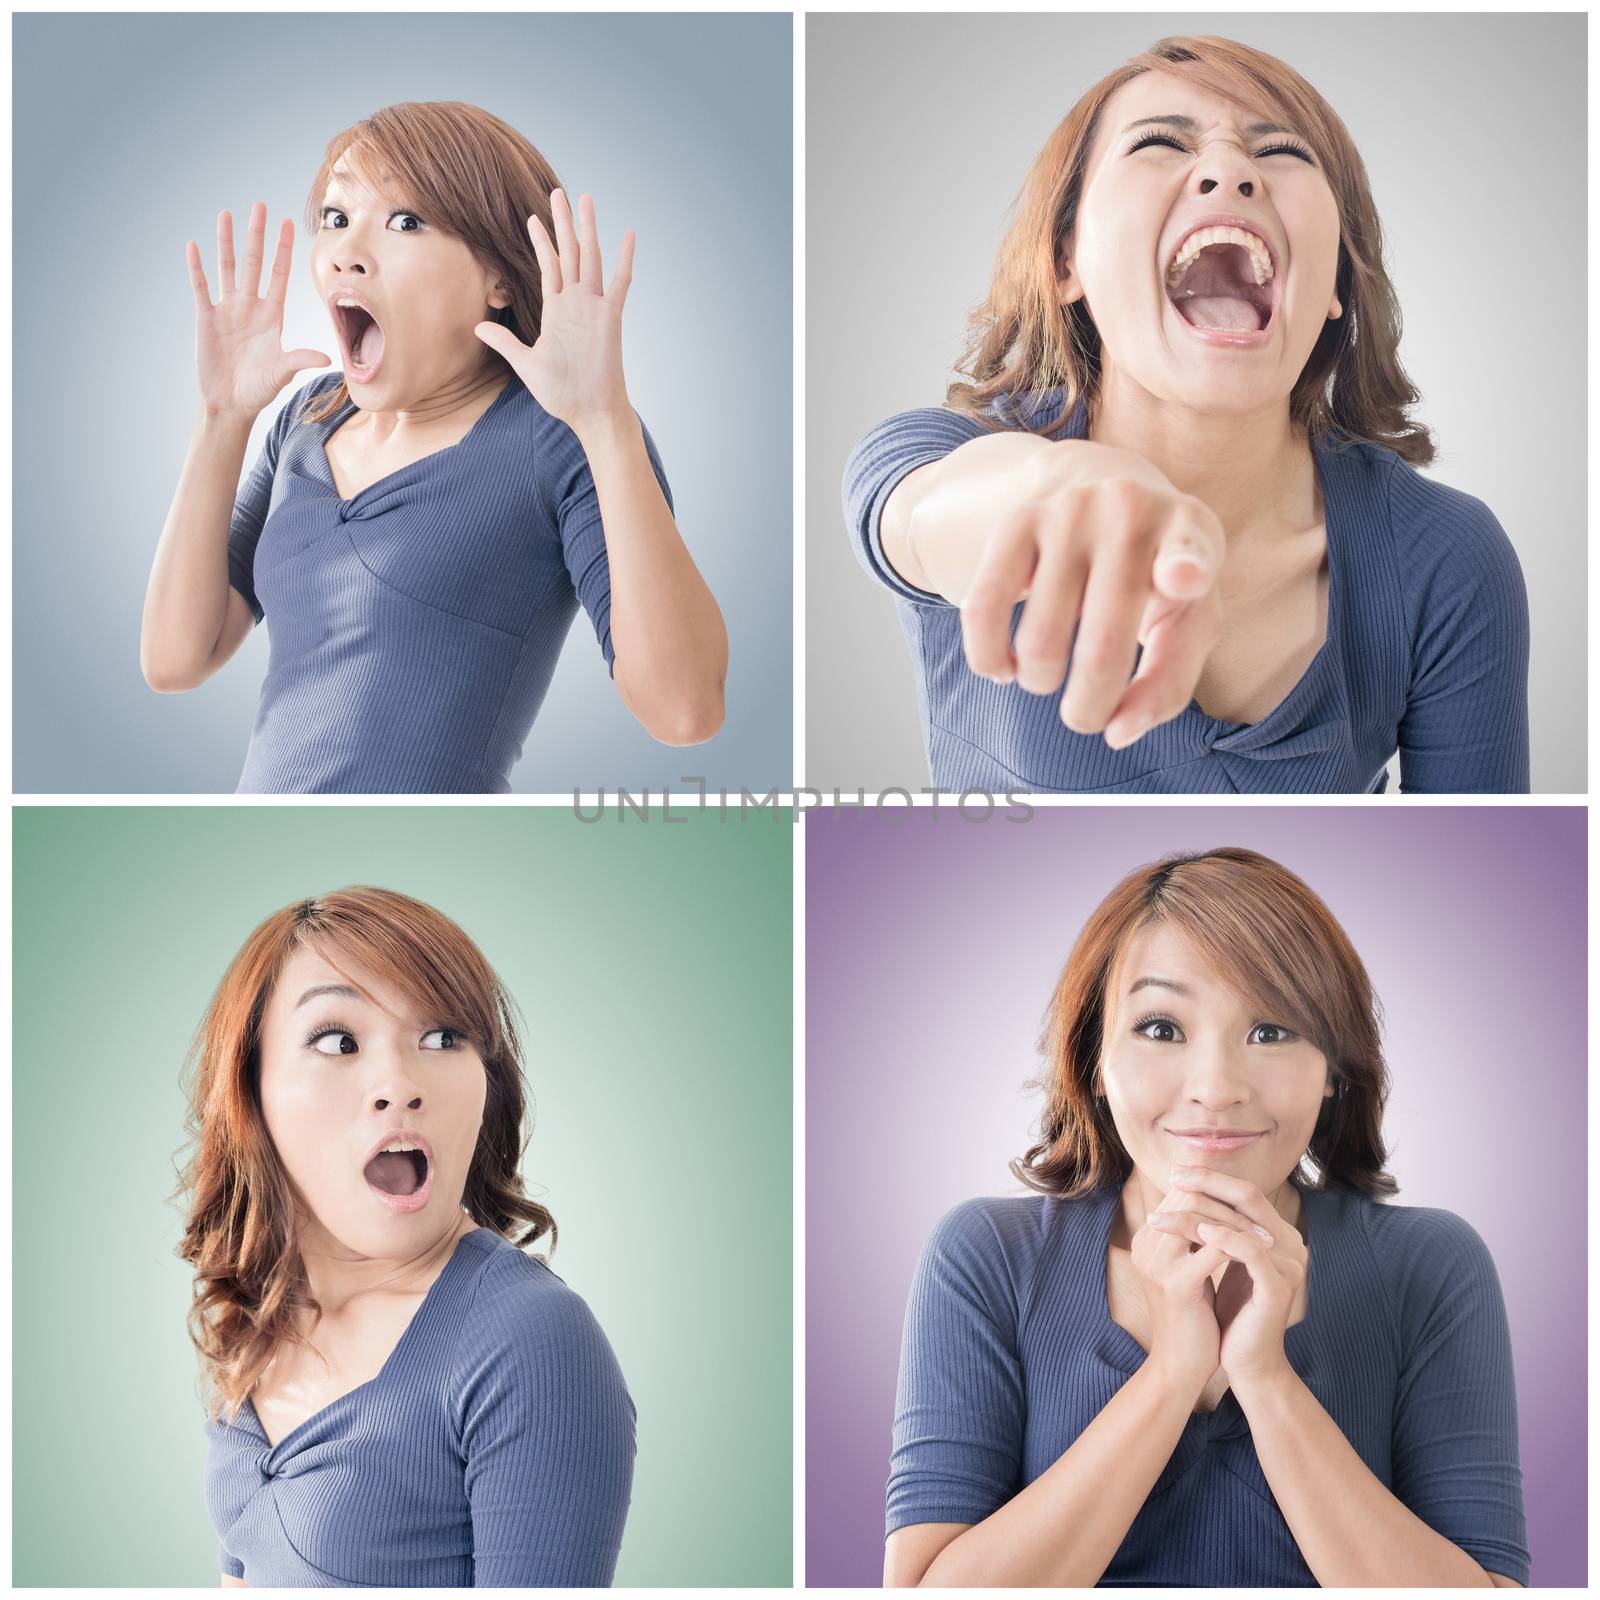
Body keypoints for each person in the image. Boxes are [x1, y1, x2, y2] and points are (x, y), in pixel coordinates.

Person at [843, 36, 1528, 794]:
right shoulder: (942, 453)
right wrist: (1050, 490)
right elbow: (913, 515)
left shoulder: (1448, 558)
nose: (1229, 170)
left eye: (1282, 153)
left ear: (1335, 275)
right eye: (1161, 142)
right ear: (1066, 259)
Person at [885, 847, 1529, 1587]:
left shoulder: (1431, 1264)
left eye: (1272, 1030)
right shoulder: (987, 1255)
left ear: (1333, 1071)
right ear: (1095, 1057)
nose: (1216, 1087)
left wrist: (1265, 1377)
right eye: (1161, 1028)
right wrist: (1172, 1372)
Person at [143, 101, 727, 793]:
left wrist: (605, 422)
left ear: (501, 280)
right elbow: (177, 660)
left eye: (406, 222)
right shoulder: (308, 414)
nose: (346, 252)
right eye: (335, 218)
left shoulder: (557, 438)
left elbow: (685, 711)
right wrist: (221, 418)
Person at [176, 886, 634, 1586]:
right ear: (251, 1088)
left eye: (443, 1038)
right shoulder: (259, 1319)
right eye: (338, 1041)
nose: (398, 1083)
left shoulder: (531, 1340)